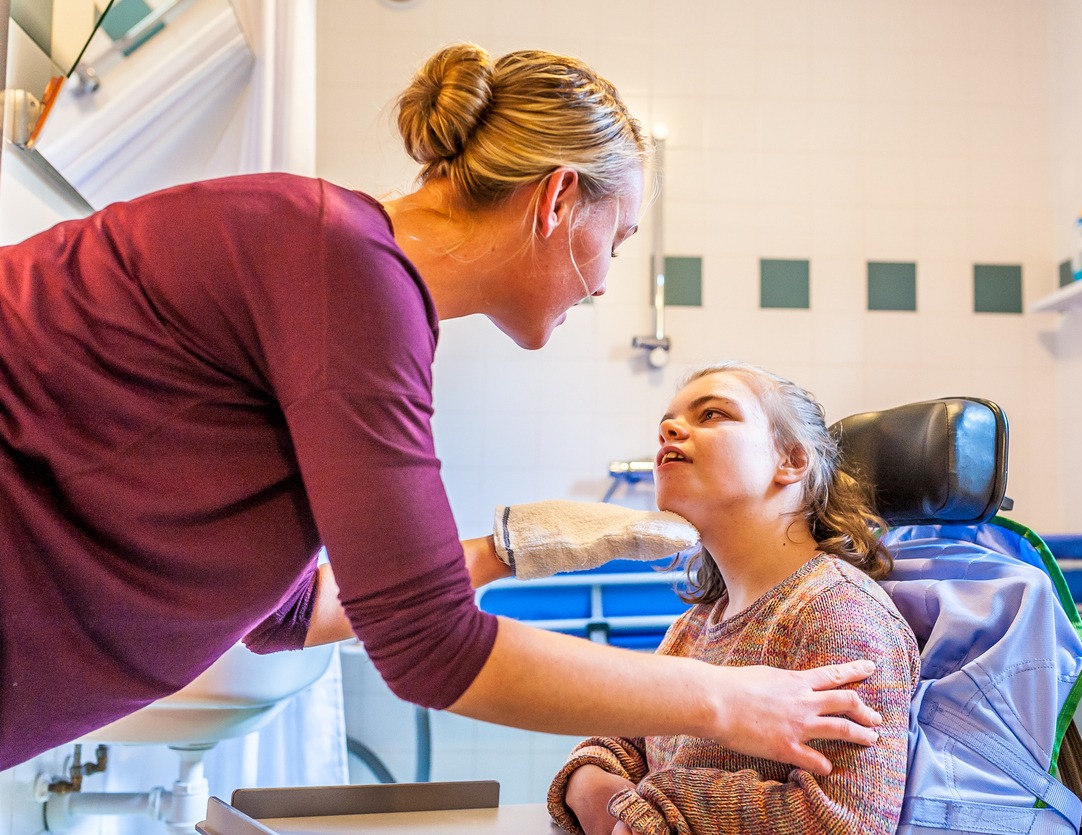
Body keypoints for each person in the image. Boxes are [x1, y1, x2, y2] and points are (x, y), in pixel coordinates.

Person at [0, 45, 882, 771]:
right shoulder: (342, 269)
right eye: (614, 239)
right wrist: (733, 700)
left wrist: (505, 550)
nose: (607, 279)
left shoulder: (344, 269)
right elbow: (428, 647)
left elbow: (283, 611)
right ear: (556, 198)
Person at [548, 362, 922, 835]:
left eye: (713, 414)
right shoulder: (696, 626)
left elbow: (841, 823)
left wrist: (655, 808)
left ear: (791, 461)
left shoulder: (837, 612)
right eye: (669, 421)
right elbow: (619, 745)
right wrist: (593, 787)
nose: (667, 430)